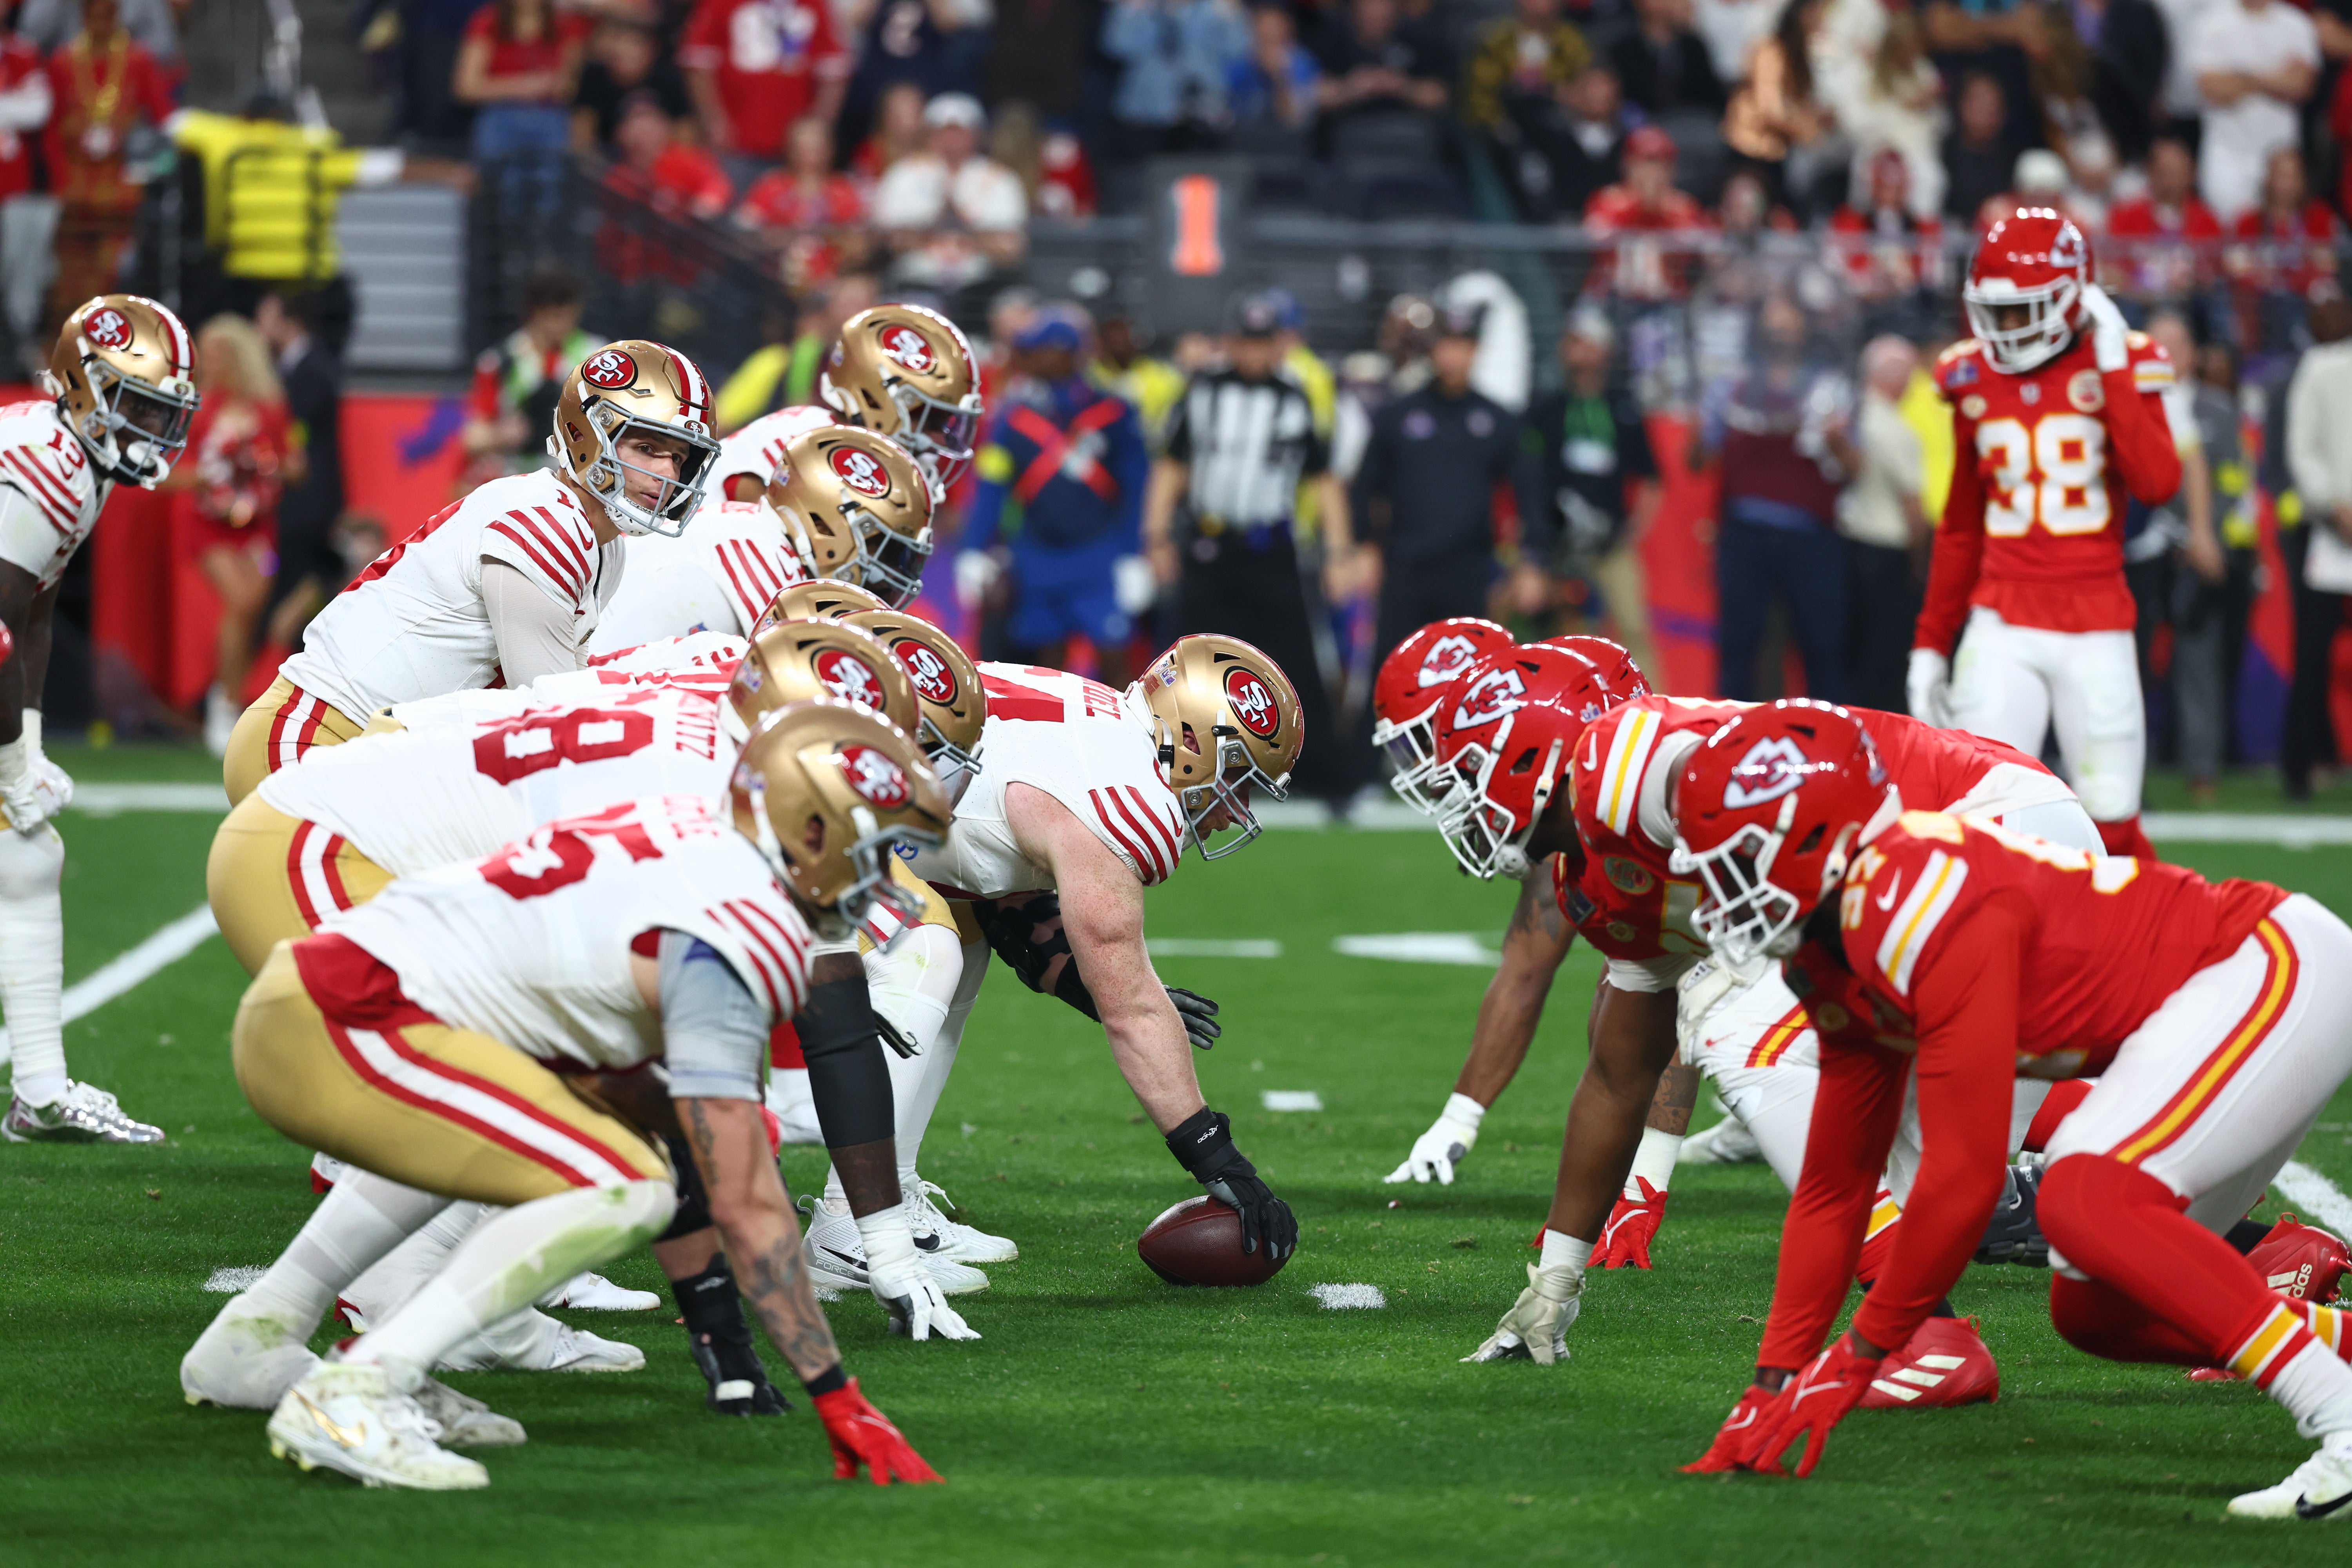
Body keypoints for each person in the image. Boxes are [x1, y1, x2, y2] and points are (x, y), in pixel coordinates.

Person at [187, 701, 947, 1490]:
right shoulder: (739, 928)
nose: (883, 874)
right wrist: (837, 1393)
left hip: (327, 996)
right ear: (813, 831)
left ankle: (257, 1334)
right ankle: (360, 1387)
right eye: (874, 846)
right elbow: (747, 1202)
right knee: (625, 1186)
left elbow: (607, 1069)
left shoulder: (692, 833)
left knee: (593, 1145)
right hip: (355, 1019)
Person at [1675, 702, 2352, 1520]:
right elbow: (1835, 1187)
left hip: (2267, 965)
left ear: (1815, 837)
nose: (1716, 890)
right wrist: (1773, 1380)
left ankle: (2341, 1421)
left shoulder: (1918, 902)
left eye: (1736, 859)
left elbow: (1963, 1181)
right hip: (2208, 1010)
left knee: (2084, 1198)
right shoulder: (1833, 947)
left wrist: (1859, 1353)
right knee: (2099, 1312)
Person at [1428, 654, 2099, 1395]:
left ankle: (1927, 1341)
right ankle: (2164, 1197)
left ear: (1533, 754)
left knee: (1734, 1021)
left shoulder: (1631, 766)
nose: (1455, 798)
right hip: (1944, 862)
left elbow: (1821, 825)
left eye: (1467, 770)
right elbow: (1619, 1077)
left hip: (1983, 819)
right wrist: (1556, 1283)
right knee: (1929, 1208)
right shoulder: (1599, 880)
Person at [884, 636, 1306, 1275]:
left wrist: (1082, 980)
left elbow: (1000, 896)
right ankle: (852, 1222)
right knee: (929, 952)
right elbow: (1133, 1013)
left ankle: (886, 1196)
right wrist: (1223, 1164)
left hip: (826, 775)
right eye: (1238, 778)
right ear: (1196, 742)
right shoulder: (1131, 800)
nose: (1236, 809)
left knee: (958, 941)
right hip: (785, 791)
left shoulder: (1104, 725)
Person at [223, 342, 720, 806]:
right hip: (319, 737)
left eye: (679, 457)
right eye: (647, 448)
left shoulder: (605, 548)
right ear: (589, 434)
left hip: (379, 751)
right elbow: (554, 716)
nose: (669, 474)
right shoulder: (546, 524)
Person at [1905, 211, 2183, 860]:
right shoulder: (1970, 376)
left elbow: (2156, 483)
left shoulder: (2124, 361)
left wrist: (2111, 366)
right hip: (2002, 620)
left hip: (2095, 619)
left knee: (2111, 821)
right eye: (1995, 311)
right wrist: (1931, 643)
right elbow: (1962, 527)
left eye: (2022, 310)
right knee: (1979, 818)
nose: (2005, 328)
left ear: (2072, 299)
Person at [0, 295, 195, 1143]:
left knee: (27, 856)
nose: (150, 428)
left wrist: (31, 744)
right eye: (135, 405)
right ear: (82, 385)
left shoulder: (77, 458)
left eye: (161, 410)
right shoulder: (47, 462)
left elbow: (36, 612)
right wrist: (12, 765)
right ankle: (40, 1093)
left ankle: (41, 1094)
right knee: (23, 852)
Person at [1143, 293, 1356, 807]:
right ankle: (1166, 765)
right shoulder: (1202, 393)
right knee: (1189, 663)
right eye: (1246, 342)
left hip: (1271, 546)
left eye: (1263, 342)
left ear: (1279, 345)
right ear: (1230, 342)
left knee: (1296, 662)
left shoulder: (1295, 398)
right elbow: (1171, 467)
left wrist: (1339, 551)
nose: (1254, 353)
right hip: (1210, 545)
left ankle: (1319, 777)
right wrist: (1156, 536)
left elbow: (1323, 479)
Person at [1354, 307, 1535, 754]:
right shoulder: (1399, 415)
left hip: (1468, 568)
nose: (1453, 356)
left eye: (1462, 345)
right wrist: (1364, 547)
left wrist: (1531, 560)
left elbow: (1530, 492)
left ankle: (1468, 764)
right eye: (1445, 345)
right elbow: (1364, 486)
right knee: (1390, 667)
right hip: (1406, 564)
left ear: (1476, 351)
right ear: (1433, 351)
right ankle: (1367, 769)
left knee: (1473, 676)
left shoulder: (1496, 420)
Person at [590, 425, 929, 650]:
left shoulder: (755, 530)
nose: (890, 572)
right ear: (826, 525)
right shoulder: (762, 563)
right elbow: (606, 665)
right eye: (884, 549)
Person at [960, 310, 1151, 682]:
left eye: (1040, 351)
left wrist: (1133, 553)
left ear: (1068, 353)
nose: (1029, 360)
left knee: (1114, 656)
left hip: (1097, 554)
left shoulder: (1113, 411)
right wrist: (974, 548)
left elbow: (1135, 486)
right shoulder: (1013, 418)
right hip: (1037, 554)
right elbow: (992, 485)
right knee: (1047, 666)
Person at [1694, 291, 1856, 702]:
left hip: (1811, 536)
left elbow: (1855, 469)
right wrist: (1703, 427)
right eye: (1773, 322)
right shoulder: (1731, 387)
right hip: (1745, 532)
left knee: (1822, 647)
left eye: (1789, 322)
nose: (1781, 331)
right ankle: (1731, 731)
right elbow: (1697, 459)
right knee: (1738, 647)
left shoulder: (1829, 387)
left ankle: (1827, 734)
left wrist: (1837, 440)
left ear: (1805, 329)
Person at [165, 314, 296, 758]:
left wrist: (268, 469)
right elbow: (166, 471)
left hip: (258, 528)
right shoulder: (198, 408)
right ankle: (224, 705)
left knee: (250, 610)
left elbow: (290, 463)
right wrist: (209, 477)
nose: (209, 362)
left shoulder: (270, 408)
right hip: (208, 527)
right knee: (239, 601)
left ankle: (233, 700)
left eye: (218, 353)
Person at [713, 299, 984, 511]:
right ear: (875, 399)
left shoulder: (857, 458)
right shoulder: (802, 439)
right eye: (931, 418)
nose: (940, 438)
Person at [1519, 310, 1659, 675]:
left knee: (1633, 627)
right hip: (1558, 545)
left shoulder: (1623, 409)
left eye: (1586, 345)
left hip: (1611, 544)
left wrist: (1633, 530)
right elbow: (1525, 474)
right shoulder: (1547, 409)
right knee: (1558, 633)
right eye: (1573, 344)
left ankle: (1652, 704)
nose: (1578, 353)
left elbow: (1651, 479)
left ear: (1605, 351)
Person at [43, 0, 171, 327]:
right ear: (84, 16)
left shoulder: (137, 60)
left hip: (120, 192)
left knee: (114, 276)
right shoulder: (64, 62)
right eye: (95, 15)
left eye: (108, 15)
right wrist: (60, 184)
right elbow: (51, 131)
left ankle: (114, 335)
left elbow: (162, 118)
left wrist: (139, 164)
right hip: (75, 191)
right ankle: (74, 337)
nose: (101, 23)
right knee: (71, 279)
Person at [2284, 289, 2352, 802]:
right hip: (2329, 532)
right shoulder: (2319, 367)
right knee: (2311, 656)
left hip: (2335, 522)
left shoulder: (2318, 366)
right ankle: (2300, 766)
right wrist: (2333, 505)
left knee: (2313, 655)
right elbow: (2301, 447)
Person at [1838, 335, 1927, 715]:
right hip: (1888, 553)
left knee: (1857, 649)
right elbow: (1912, 503)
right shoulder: (1892, 427)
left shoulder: (1852, 418)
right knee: (1887, 653)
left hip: (1851, 544)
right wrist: (1921, 562)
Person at [253, 291, 346, 650]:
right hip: (297, 505)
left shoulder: (314, 370)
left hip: (309, 505)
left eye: (266, 318)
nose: (259, 327)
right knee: (287, 598)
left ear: (289, 322)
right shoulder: (292, 368)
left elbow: (298, 432)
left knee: (298, 597)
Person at [871, 93, 1028, 290]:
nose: (952, 139)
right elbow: (890, 237)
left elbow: (1010, 245)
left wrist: (961, 229)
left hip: (985, 281)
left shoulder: (1001, 178)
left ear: (976, 135)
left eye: (960, 132)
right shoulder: (904, 173)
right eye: (944, 132)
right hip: (915, 277)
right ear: (930, 134)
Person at [680, 0, 852, 180]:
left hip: (795, 148)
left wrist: (817, 130)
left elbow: (834, 69)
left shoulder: (814, 5)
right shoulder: (721, 4)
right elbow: (698, 61)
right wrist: (714, 121)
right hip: (735, 143)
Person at [2189, 0, 2318, 224]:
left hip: (2280, 149)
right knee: (2227, 228)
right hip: (2228, 150)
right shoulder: (2211, 23)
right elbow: (2211, 88)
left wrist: (2240, 78)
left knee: (2281, 225)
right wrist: (2276, 78)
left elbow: (2302, 85)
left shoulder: (2297, 24)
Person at [462, 265, 591, 484]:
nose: (560, 326)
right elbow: (472, 439)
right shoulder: (499, 362)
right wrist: (501, 435)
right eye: (554, 316)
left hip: (575, 475)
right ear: (535, 313)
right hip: (516, 475)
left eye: (568, 317)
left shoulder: (593, 357)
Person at [453, 0, 590, 173]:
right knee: (496, 180)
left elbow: (568, 86)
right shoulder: (488, 21)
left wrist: (555, 84)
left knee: (551, 180)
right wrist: (523, 86)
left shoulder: (566, 23)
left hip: (550, 116)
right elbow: (466, 88)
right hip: (500, 115)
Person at [1101, 0, 1252, 154]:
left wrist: (1229, 15)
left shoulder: (1214, 8)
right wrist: (1132, 11)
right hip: (1146, 115)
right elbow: (1116, 48)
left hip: (1205, 118)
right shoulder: (1144, 6)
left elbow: (1239, 49)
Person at [733, 116, 868, 288]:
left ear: (830, 150)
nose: (809, 155)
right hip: (771, 280)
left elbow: (858, 241)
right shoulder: (772, 185)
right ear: (790, 149)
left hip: (831, 282)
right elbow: (744, 230)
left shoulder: (843, 190)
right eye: (802, 148)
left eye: (816, 148)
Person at [2105, 135, 2222, 304]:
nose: (2170, 181)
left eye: (2176, 173)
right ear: (2151, 172)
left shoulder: (2208, 220)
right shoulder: (2125, 215)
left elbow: (2215, 274)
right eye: (2164, 172)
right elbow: (2111, 271)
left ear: (2191, 174)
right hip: (2137, 303)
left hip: (2190, 304)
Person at [0, 31, 53, 377]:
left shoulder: (21, 53)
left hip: (18, 191)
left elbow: (37, 110)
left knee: (19, 276)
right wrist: (9, 105)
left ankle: (17, 351)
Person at [569, 18, 692, 152]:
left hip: (663, 154)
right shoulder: (595, 75)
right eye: (620, 42)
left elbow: (686, 130)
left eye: (634, 44)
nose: (625, 50)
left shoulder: (669, 77)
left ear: (652, 50)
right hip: (608, 156)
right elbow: (583, 129)